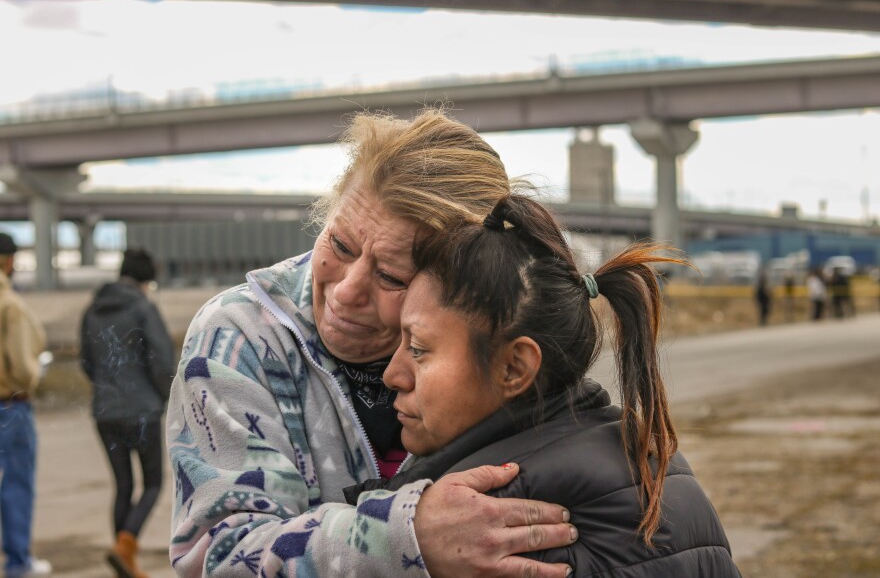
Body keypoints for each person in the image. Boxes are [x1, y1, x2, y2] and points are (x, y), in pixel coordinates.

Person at [166, 109, 576, 577]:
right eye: (339, 245)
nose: (346, 291)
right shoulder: (238, 338)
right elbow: (218, 559)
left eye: (390, 276)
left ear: (463, 286)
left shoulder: (493, 357)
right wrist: (406, 538)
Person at [356, 195, 740, 576]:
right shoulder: (651, 462)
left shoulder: (481, 529)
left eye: (419, 349)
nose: (393, 374)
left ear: (514, 368)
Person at [81, 249, 175, 578]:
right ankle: (125, 548)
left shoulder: (92, 309)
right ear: (145, 280)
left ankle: (123, 558)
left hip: (104, 413)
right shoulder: (142, 308)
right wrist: (169, 397)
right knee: (152, 484)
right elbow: (161, 360)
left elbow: (86, 361)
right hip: (142, 411)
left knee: (123, 485)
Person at [0, 232, 52, 578]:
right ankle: (18, 562)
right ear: (7, 260)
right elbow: (20, 367)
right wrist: (36, 374)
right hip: (9, 406)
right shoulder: (10, 304)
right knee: (17, 483)